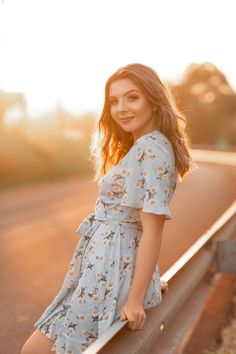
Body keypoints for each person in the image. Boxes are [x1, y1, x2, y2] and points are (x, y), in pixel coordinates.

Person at [21, 63, 193, 354]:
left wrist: (136, 299)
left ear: (153, 99)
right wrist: (150, 279)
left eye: (132, 97)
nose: (121, 108)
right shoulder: (145, 146)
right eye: (114, 101)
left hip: (110, 274)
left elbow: (152, 230)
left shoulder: (152, 149)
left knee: (36, 350)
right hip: (105, 268)